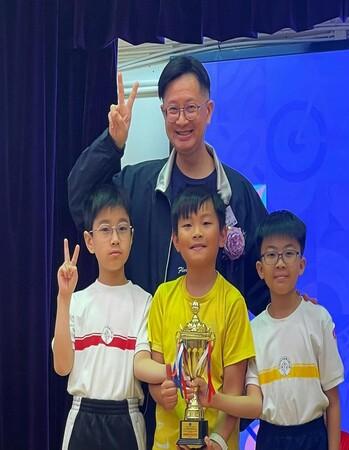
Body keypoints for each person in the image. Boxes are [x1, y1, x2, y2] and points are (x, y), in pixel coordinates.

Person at [67, 55, 269, 317]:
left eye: (191, 108)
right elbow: (82, 201)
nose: (182, 120)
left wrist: (293, 306)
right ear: (163, 113)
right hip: (149, 338)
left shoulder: (238, 193)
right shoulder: (137, 184)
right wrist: (111, 144)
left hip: (220, 341)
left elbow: (264, 281)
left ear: (208, 111)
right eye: (173, 110)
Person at [195, 210, 344, 450]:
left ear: (302, 264)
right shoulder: (254, 331)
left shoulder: (319, 319)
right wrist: (213, 400)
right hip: (269, 438)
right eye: (271, 254)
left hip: (313, 437)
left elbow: (333, 401)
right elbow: (255, 403)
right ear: (260, 269)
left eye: (289, 253)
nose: (280, 263)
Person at [52, 184, 170, 450]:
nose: (115, 238)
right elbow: (61, 367)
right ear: (90, 241)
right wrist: (64, 298)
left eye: (122, 228)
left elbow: (141, 364)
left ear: (132, 236)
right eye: (105, 229)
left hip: (127, 418)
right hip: (81, 418)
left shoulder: (144, 301)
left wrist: (176, 371)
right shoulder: (77, 301)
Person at [148, 185, 255, 450]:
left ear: (223, 235)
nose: (196, 232)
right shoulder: (162, 297)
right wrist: (162, 393)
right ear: (175, 240)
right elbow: (155, 378)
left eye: (206, 223)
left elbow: (234, 391)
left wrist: (217, 441)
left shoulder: (233, 302)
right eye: (187, 225)